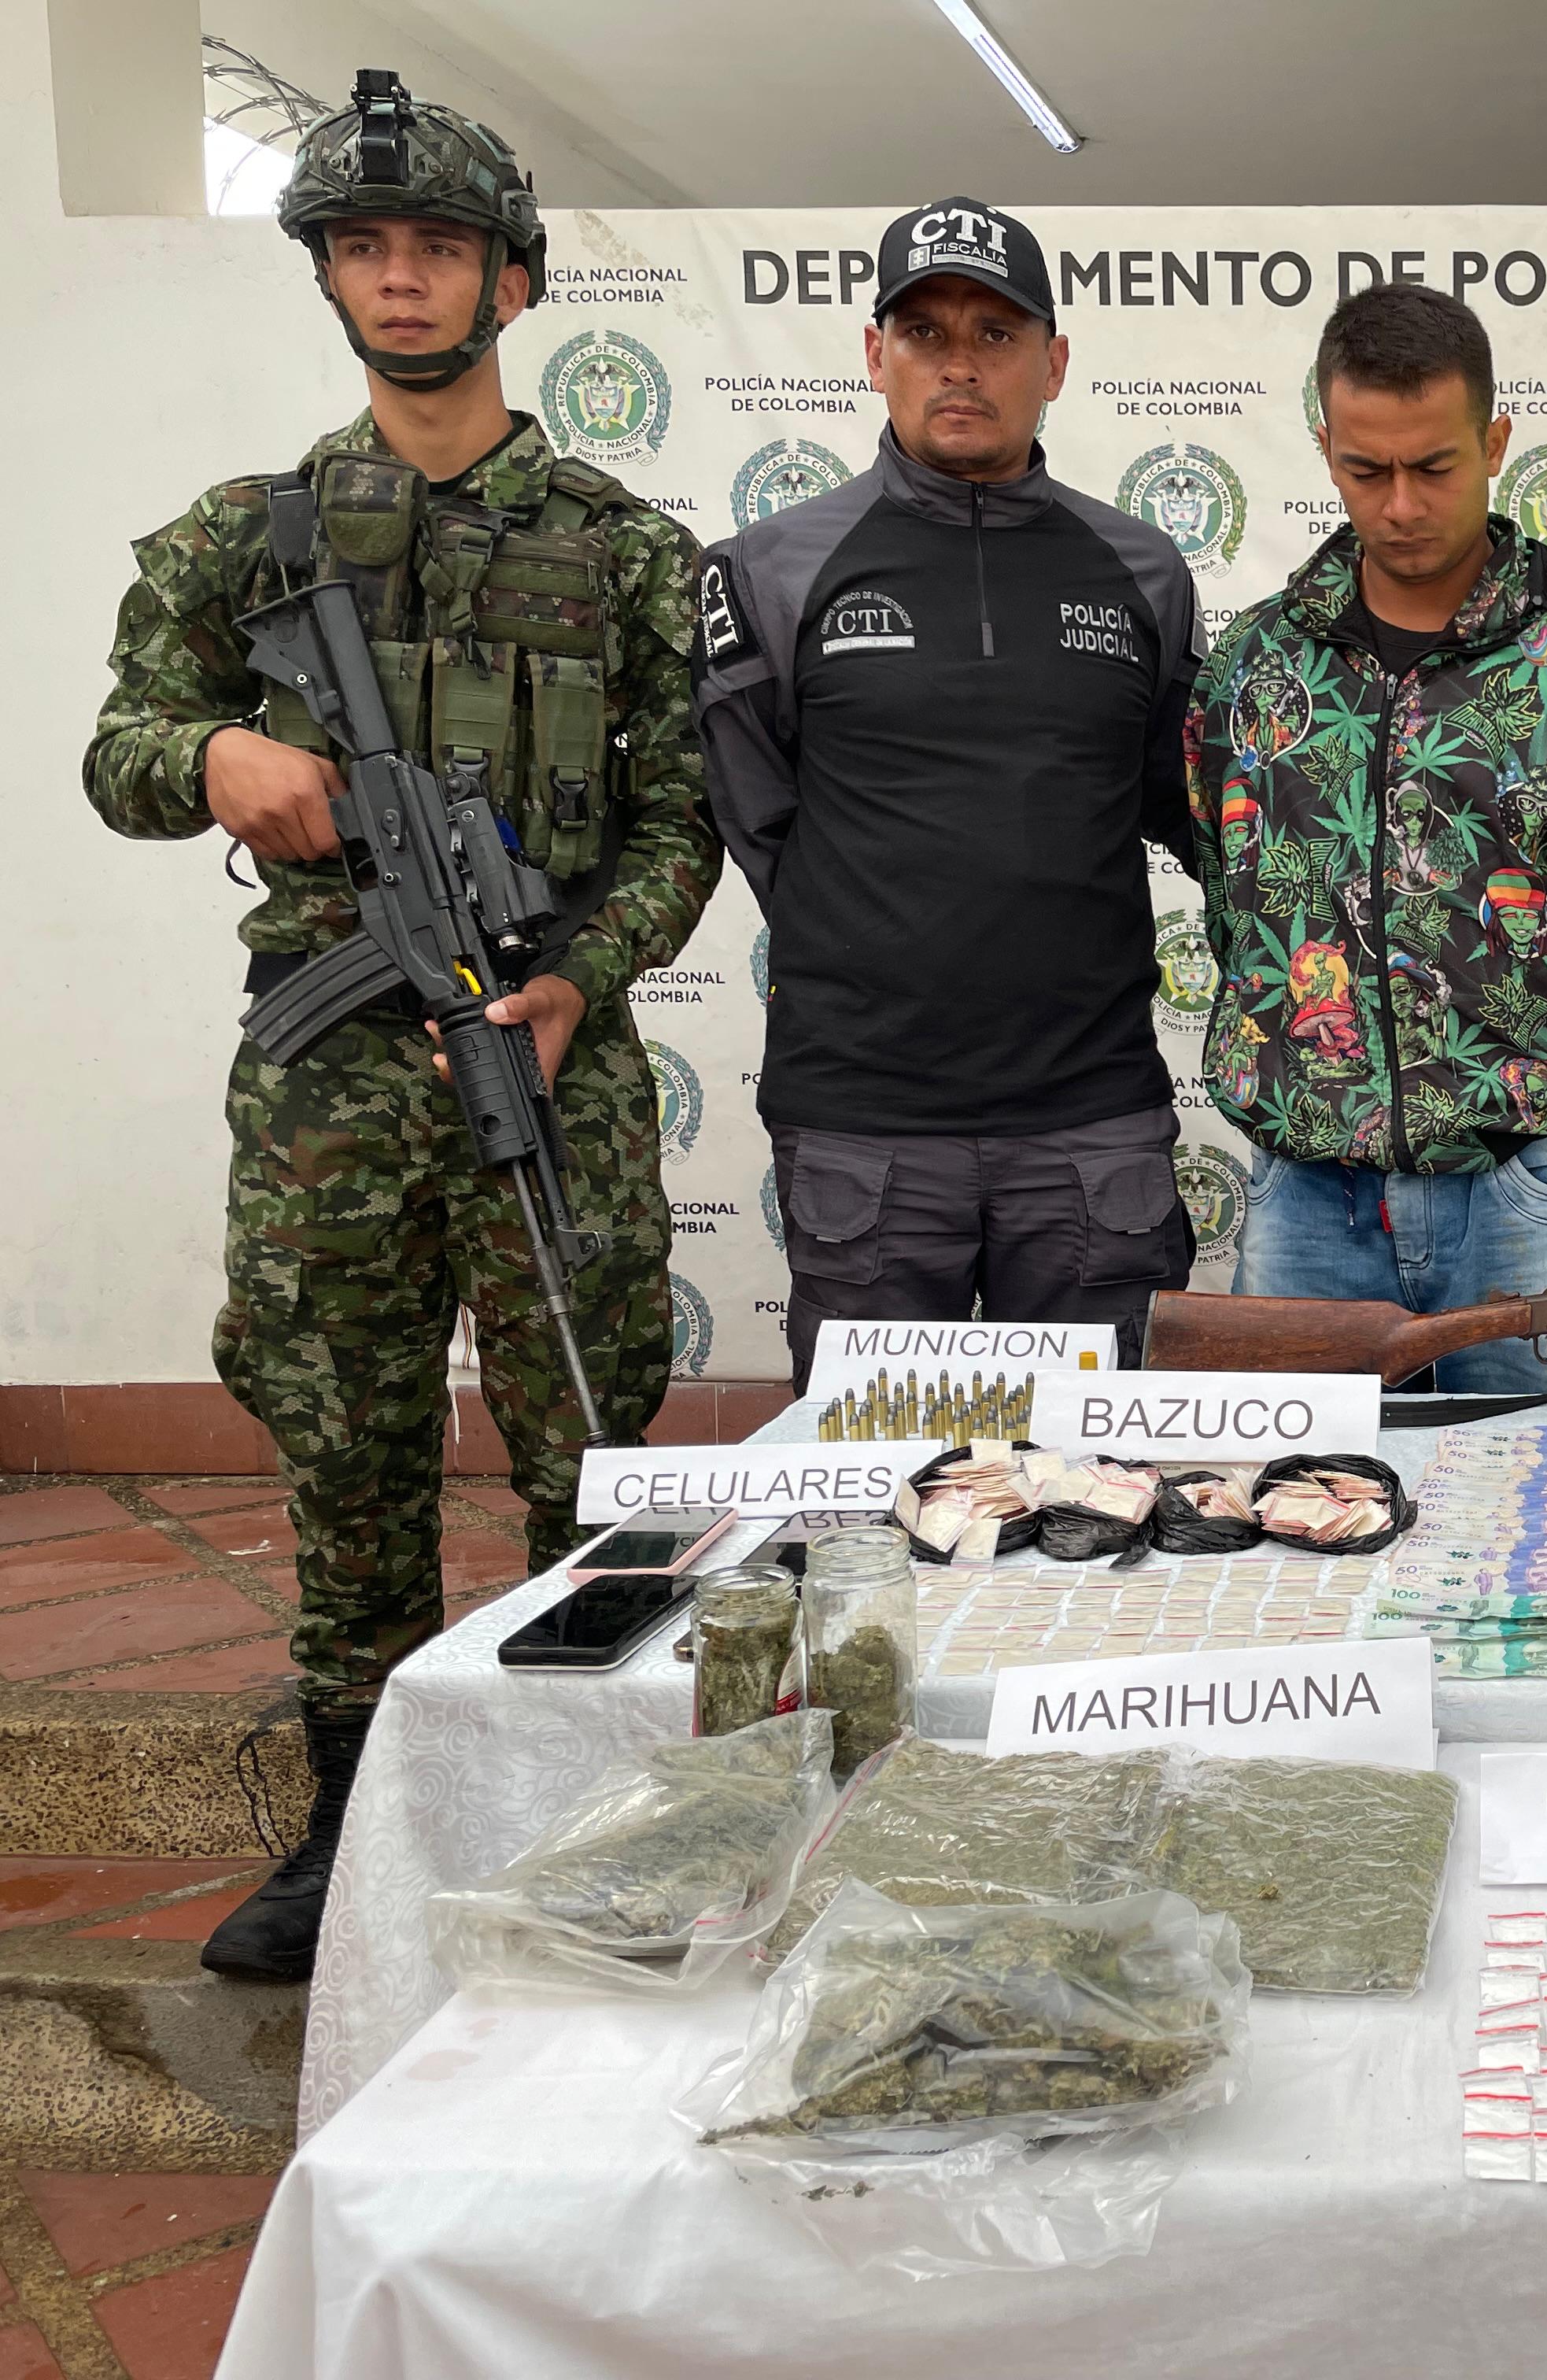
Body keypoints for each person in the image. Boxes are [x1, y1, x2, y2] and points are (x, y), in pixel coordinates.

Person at [83, 73, 718, 1981]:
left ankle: (585, 1813)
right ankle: (354, 1833)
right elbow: (118, 756)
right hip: (332, 1077)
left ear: (509, 280)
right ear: (331, 278)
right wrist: (216, 754)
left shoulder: (618, 544)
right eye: (366, 247)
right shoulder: (239, 542)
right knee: (343, 1446)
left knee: (584, 1453)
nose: (403, 276)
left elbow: (685, 819)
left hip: (548, 1056)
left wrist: (577, 984)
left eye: (439, 246)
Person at [694, 198, 1200, 1380]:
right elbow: (759, 817)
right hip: (864, 1123)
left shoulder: (1143, 570)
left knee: (1096, 1505)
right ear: (875, 356)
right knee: (877, 1506)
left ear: (1055, 363)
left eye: (996, 332)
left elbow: (1171, 800)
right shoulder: (770, 570)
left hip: (1091, 1120)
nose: (958, 363)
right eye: (923, 332)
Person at [1183, 283, 1547, 1391]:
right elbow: (1234, 897)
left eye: (1436, 467)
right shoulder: (1257, 664)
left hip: (1528, 1189)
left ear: (1497, 441)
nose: (1403, 505)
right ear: (1325, 445)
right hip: (1305, 1191)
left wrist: (1544, 1050)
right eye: (1367, 471)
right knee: (1296, 1527)